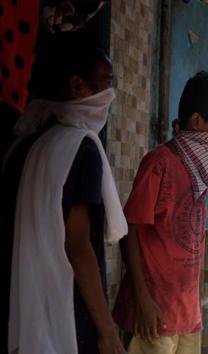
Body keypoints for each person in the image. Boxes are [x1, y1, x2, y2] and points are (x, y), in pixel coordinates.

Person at [3, 44, 127, 354]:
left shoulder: (21, 146)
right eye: (106, 81)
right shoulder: (80, 149)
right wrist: (108, 331)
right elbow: (78, 246)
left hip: (19, 308)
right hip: (67, 313)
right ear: (77, 86)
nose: (110, 92)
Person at [112, 71, 208, 354]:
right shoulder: (160, 163)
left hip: (186, 316)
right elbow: (128, 232)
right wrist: (144, 301)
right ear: (197, 121)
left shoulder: (201, 173)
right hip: (153, 316)